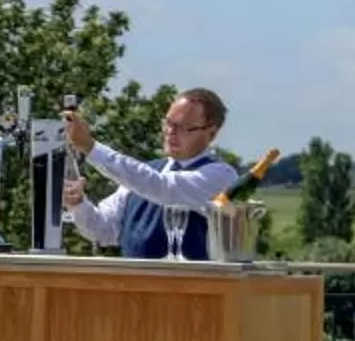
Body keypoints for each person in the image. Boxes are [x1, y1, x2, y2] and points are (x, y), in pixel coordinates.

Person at [63, 88, 239, 261]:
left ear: (211, 133)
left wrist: (90, 147)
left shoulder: (220, 176)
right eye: (168, 123)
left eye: (184, 127)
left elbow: (163, 187)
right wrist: (78, 204)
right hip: (132, 284)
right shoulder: (143, 175)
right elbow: (102, 230)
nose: (170, 131)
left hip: (188, 287)